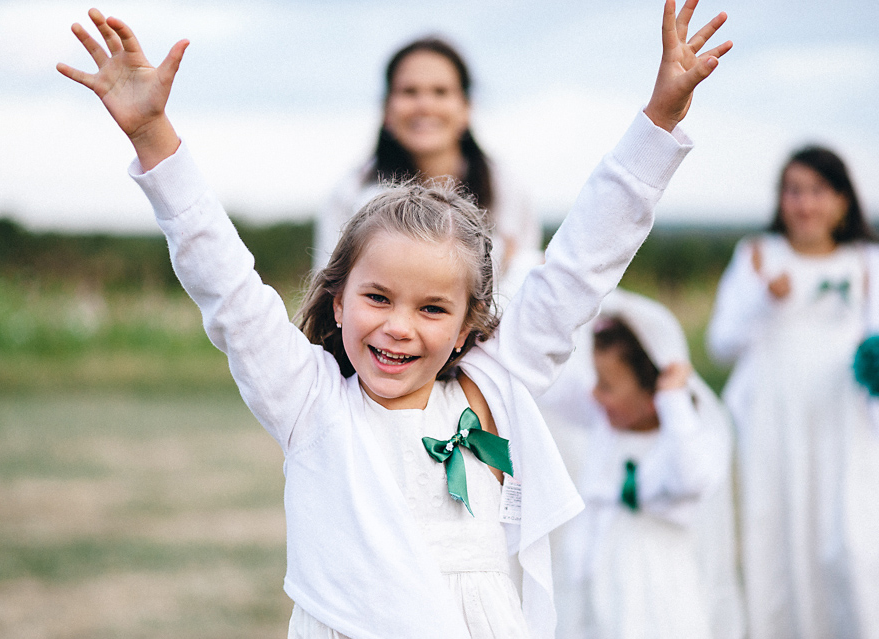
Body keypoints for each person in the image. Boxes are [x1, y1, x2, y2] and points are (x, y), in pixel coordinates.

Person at [57, 2, 731, 637]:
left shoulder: (492, 385)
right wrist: (154, 138)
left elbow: (583, 261)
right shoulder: (309, 398)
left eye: (433, 308)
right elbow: (225, 284)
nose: (399, 326)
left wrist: (659, 122)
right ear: (337, 298)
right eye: (378, 298)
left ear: (470, 325)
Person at [707, 146, 879, 639]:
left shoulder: (866, 262)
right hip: (774, 422)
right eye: (794, 191)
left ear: (843, 200)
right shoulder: (759, 255)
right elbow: (721, 344)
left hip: (847, 425)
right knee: (775, 536)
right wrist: (764, 300)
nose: (805, 204)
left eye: (818, 192)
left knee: (850, 539)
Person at [538, 289, 743, 639]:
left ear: (652, 398)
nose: (595, 394)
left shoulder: (680, 440)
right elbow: (551, 389)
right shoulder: (607, 422)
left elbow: (692, 476)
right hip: (591, 574)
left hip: (651, 589)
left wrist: (673, 400)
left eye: (607, 386)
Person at [313, 35, 540, 295]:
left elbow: (525, 284)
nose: (424, 105)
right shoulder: (352, 194)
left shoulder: (506, 187)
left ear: (466, 108)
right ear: (387, 109)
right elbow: (330, 290)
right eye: (409, 92)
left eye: (440, 92)